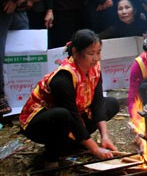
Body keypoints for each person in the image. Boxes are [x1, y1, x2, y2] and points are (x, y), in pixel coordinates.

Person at [19, 29, 119, 168]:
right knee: (62, 115)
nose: (96, 58)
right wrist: (95, 149)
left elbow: (97, 102)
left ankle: (74, 142)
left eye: (98, 52)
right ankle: (51, 159)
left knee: (111, 103)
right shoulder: (64, 77)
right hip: (39, 121)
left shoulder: (94, 69)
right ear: (75, 52)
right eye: (91, 53)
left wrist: (105, 137)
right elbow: (71, 114)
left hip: (74, 115)